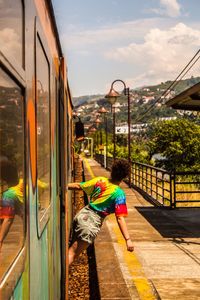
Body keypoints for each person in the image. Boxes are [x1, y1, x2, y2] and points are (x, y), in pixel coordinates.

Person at [68, 159, 134, 266]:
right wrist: (128, 239)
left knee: (70, 250)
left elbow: (78, 186)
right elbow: (120, 218)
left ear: (112, 170)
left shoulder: (100, 181)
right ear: (125, 177)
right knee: (71, 254)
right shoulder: (119, 194)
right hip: (90, 223)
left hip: (82, 215)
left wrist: (59, 186)